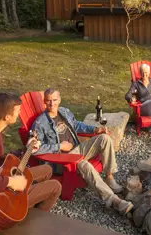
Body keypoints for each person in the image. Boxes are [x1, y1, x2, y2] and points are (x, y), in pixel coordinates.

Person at [31, 88, 133, 216]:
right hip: (62, 160)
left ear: (60, 100)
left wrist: (95, 130)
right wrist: (59, 146)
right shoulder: (40, 123)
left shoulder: (64, 112)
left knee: (104, 138)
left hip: (77, 149)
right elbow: (34, 150)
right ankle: (114, 200)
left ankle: (109, 176)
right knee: (84, 165)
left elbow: (76, 125)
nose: (52, 103)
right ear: (44, 102)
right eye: (48, 100)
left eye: (55, 100)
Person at [0, 93, 61, 217]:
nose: (19, 113)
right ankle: (29, 220)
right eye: (17, 111)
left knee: (47, 169)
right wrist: (11, 182)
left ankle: (22, 206)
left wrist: (26, 149)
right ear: (7, 117)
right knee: (55, 186)